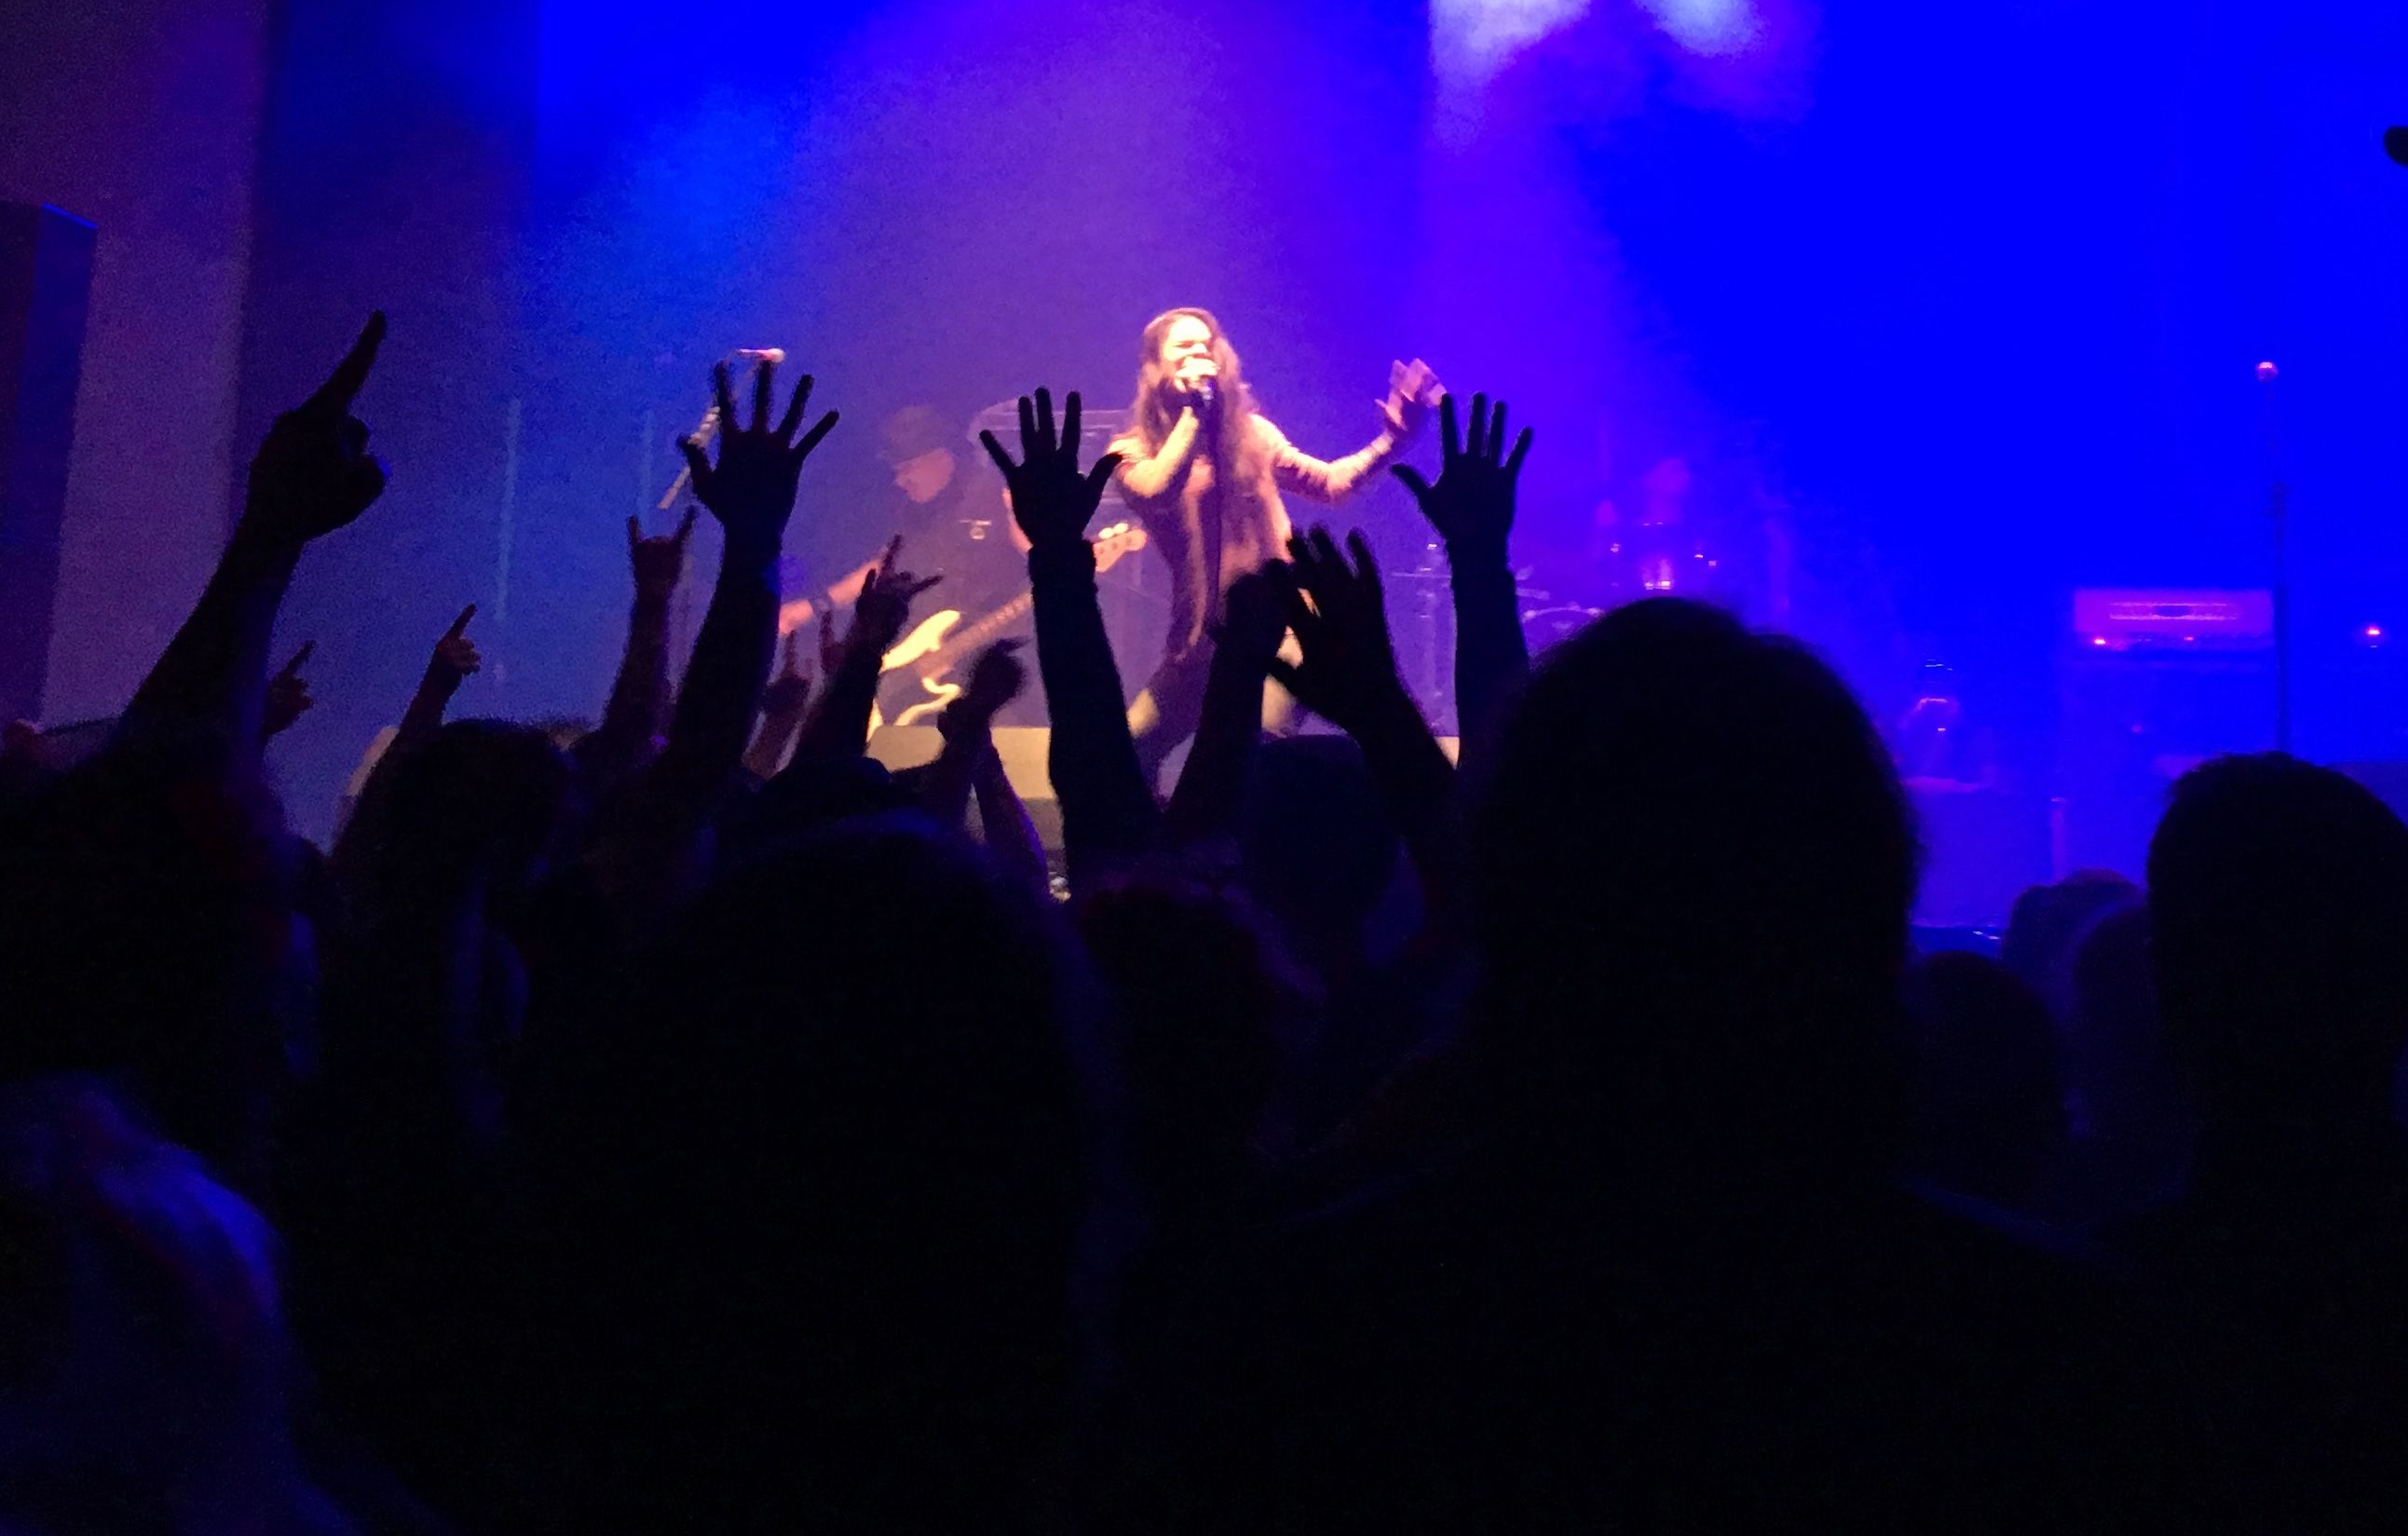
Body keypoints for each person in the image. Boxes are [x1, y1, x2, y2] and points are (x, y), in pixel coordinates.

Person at [1106, 307, 1439, 776]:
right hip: (1202, 644)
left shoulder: (1253, 435)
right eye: (1184, 346)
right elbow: (1157, 491)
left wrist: (1393, 440)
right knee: (1124, 757)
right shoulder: (1131, 451)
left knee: (1259, 757)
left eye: (1206, 345)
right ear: (1154, 367)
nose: (1199, 352)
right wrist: (1194, 414)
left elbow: (1330, 484)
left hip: (1282, 633)